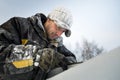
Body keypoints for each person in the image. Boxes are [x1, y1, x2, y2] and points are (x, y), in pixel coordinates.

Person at [0, 7, 76, 80]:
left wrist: (66, 63)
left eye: (63, 31)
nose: (59, 34)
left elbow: (72, 62)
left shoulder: (57, 46)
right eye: (59, 27)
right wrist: (37, 56)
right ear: (49, 19)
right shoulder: (20, 26)